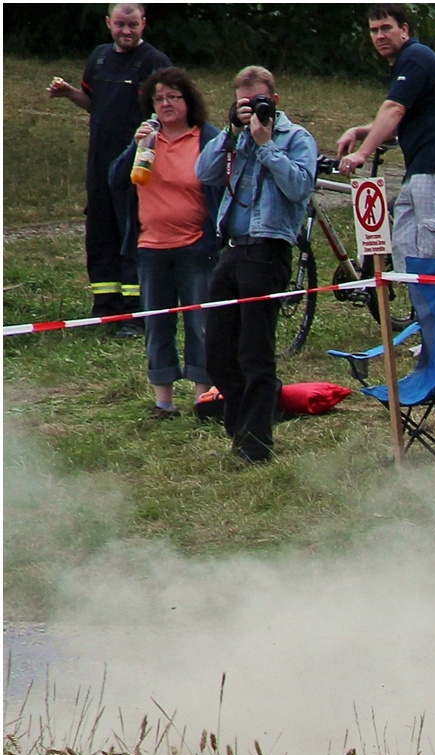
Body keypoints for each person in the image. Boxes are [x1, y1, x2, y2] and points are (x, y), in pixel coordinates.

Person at [194, 66, 317, 463]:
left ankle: (256, 445)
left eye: (260, 101)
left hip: (268, 250)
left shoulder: (295, 138)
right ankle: (242, 425)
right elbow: (204, 173)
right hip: (231, 249)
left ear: (275, 101)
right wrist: (232, 133)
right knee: (217, 354)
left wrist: (266, 144)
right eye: (245, 103)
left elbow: (300, 186)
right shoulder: (236, 139)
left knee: (255, 353)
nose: (254, 109)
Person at [48, 3, 171, 329]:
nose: (126, 31)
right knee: (100, 236)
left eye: (133, 25)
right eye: (120, 25)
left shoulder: (155, 64)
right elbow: (95, 105)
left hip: (137, 167)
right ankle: (105, 308)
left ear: (144, 24)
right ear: (108, 23)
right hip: (99, 166)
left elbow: (169, 115)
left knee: (131, 235)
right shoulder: (99, 58)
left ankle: (136, 313)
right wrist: (70, 93)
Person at [108, 67, 222, 417]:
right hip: (151, 247)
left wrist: (212, 238)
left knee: (200, 324)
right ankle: (163, 402)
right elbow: (115, 179)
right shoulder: (146, 138)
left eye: (173, 96)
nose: (166, 103)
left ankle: (203, 399)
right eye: (159, 98)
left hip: (195, 246)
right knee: (157, 325)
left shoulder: (208, 138)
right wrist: (136, 145)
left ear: (188, 101)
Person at [337, 4, 435, 273]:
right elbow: (393, 124)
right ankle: (425, 315)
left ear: (404, 30)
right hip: (421, 171)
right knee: (406, 253)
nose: (380, 36)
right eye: (374, 30)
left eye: (386, 28)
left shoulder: (415, 57)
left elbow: (394, 109)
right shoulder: (406, 63)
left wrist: (361, 154)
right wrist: (359, 131)